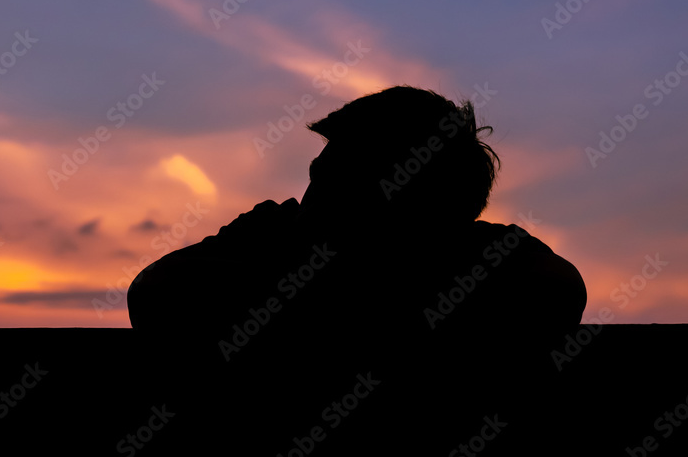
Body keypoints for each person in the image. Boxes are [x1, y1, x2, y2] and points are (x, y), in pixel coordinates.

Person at [126, 86, 588, 453]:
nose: (307, 200)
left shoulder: (273, 245)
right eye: (315, 179)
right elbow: (154, 292)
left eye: (332, 183)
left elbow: (559, 292)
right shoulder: (276, 237)